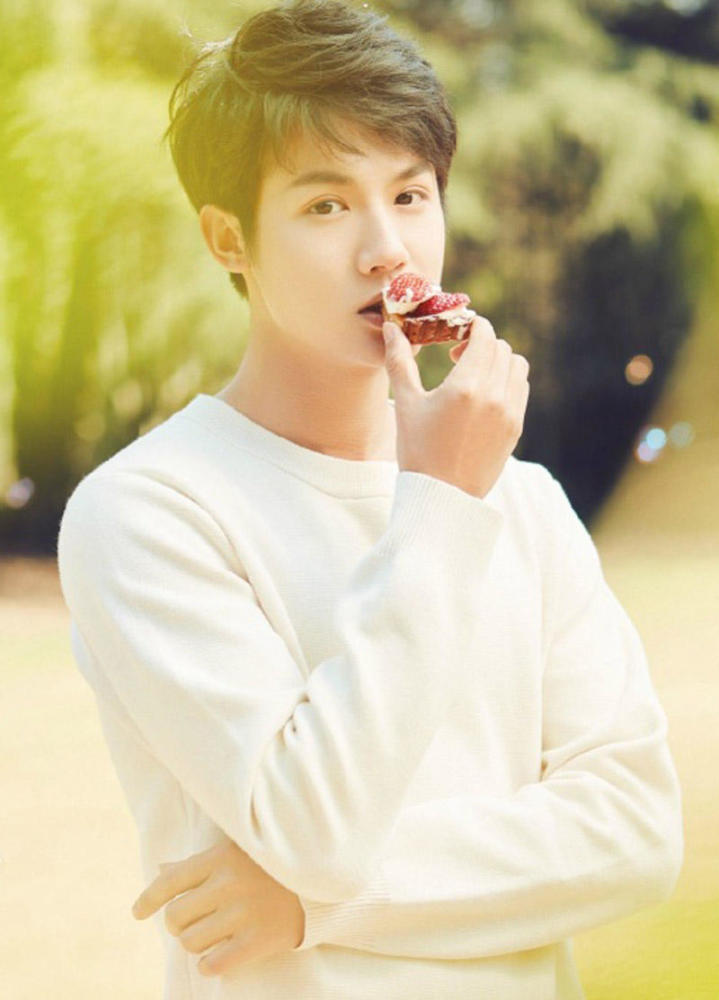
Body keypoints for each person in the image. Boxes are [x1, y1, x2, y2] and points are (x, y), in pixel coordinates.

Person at [56, 1, 683, 997]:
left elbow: (635, 832)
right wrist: (437, 502)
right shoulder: (150, 510)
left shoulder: (519, 499)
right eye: (325, 205)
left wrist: (317, 906)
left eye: (410, 194)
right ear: (228, 238)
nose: (387, 249)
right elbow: (313, 830)